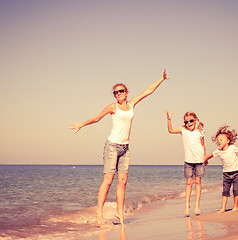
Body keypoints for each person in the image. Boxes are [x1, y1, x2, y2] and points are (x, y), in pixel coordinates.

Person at [69, 69, 170, 226]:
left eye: (121, 91)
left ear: (126, 92)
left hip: (125, 148)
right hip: (112, 147)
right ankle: (99, 213)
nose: (118, 94)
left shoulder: (131, 104)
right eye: (116, 92)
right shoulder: (112, 107)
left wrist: (161, 79)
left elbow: (148, 91)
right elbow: (97, 118)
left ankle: (119, 213)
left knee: (122, 181)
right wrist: (81, 125)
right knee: (108, 180)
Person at [165, 111, 206, 217]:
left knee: (198, 182)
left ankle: (197, 205)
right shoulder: (183, 130)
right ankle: (187, 206)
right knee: (189, 183)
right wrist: (169, 120)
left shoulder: (200, 132)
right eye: (186, 121)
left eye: (191, 121)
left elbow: (203, 145)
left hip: (199, 160)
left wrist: (205, 158)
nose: (189, 123)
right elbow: (171, 130)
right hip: (188, 161)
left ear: (195, 120)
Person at [204, 125, 238, 213]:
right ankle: (223, 208)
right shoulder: (218, 151)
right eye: (218, 140)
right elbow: (210, 155)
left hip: (236, 172)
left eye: (221, 140)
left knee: (236, 190)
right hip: (226, 174)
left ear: (228, 141)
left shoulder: (232, 148)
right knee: (225, 191)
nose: (219, 141)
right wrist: (205, 160)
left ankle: (235, 206)